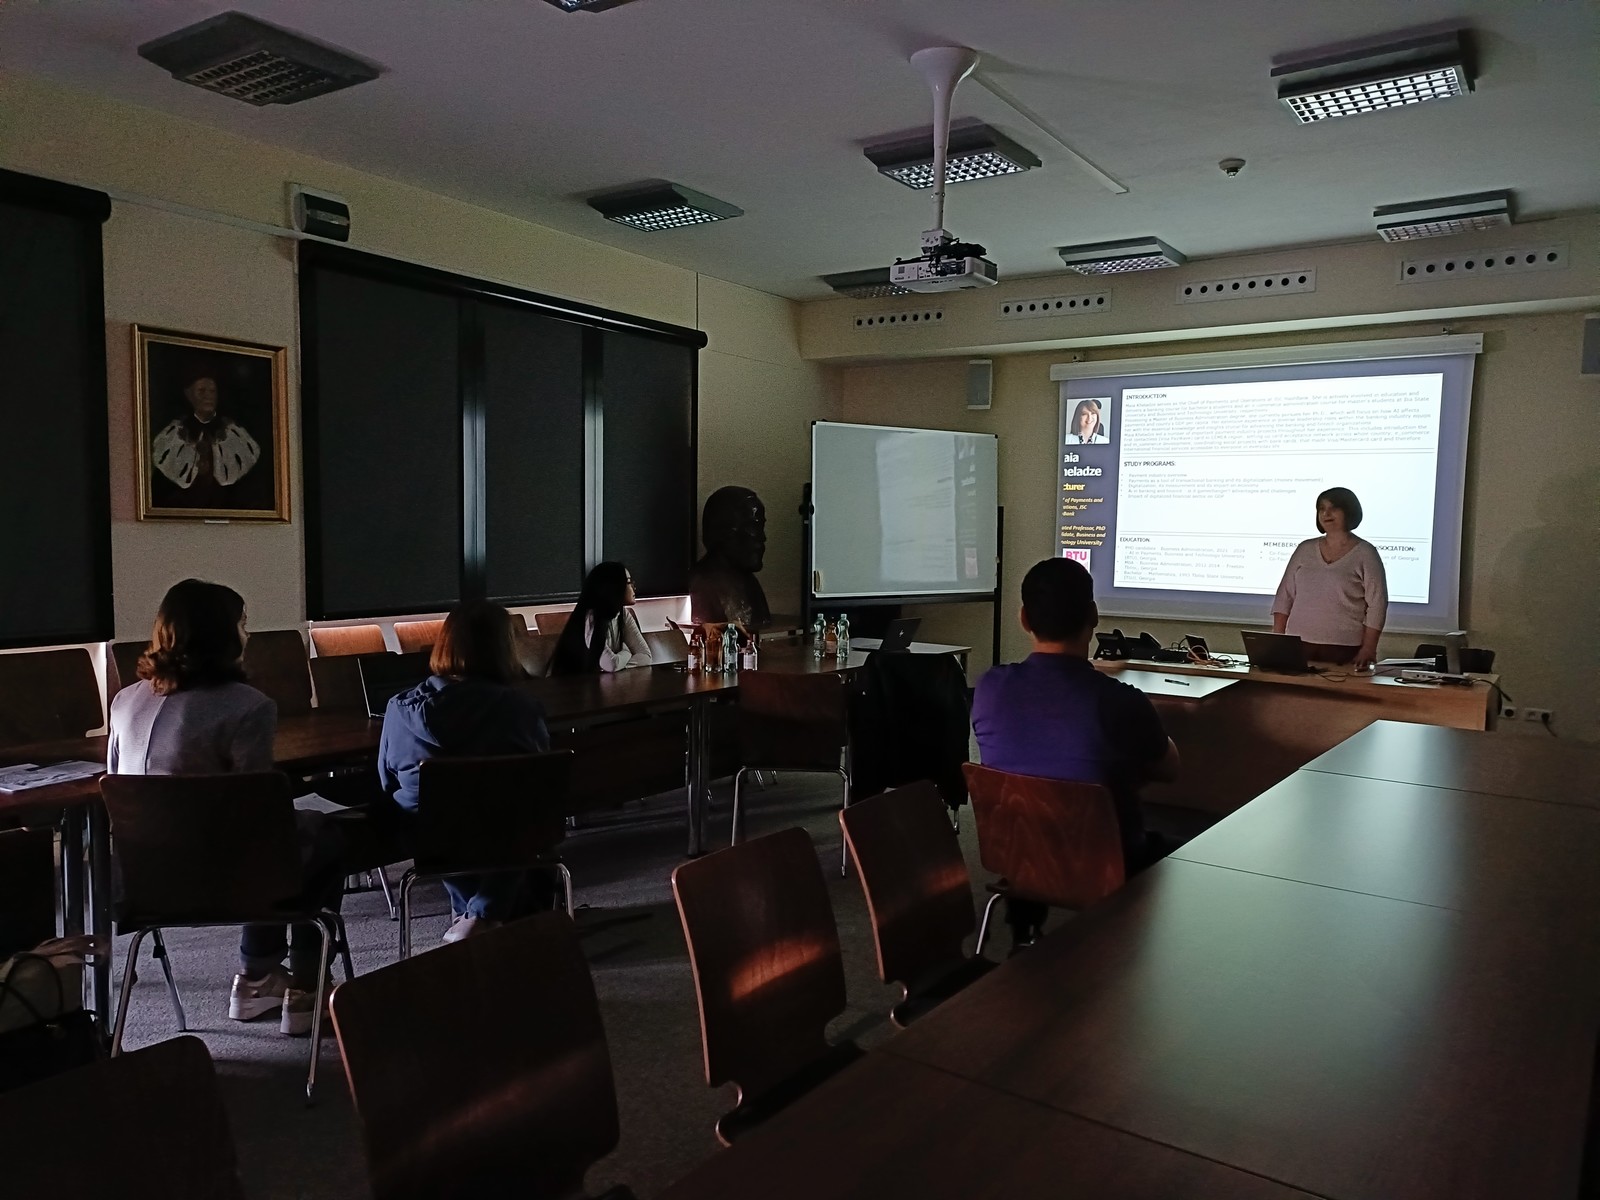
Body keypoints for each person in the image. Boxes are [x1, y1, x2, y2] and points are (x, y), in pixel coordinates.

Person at [107, 578, 342, 1036]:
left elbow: (118, 790)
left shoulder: (124, 702)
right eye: (242, 623)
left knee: (291, 837)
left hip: (141, 881)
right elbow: (254, 813)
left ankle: (258, 979)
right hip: (224, 879)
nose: (247, 633)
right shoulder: (247, 706)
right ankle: (302, 984)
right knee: (320, 838)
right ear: (222, 634)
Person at [970, 558, 1179, 947]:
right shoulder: (1119, 701)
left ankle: (1024, 936)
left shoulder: (989, 688)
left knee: (1030, 810)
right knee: (1187, 845)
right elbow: (1169, 769)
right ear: (1093, 615)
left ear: (1023, 619)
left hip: (1016, 853)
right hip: (1109, 859)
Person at [378, 601, 551, 942]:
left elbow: (387, 780)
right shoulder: (521, 709)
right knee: (521, 817)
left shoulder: (399, 709)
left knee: (440, 817)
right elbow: (541, 776)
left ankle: (471, 915)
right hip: (508, 834)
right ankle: (482, 914)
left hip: (427, 836)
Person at [1271, 487, 1388, 670]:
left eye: (1333, 508)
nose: (1326, 514)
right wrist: (1277, 640)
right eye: (1321, 508)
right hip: (1298, 645)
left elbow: (1377, 604)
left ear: (1349, 511)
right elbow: (1285, 596)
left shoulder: (1366, 553)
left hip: (1345, 648)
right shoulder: (1304, 549)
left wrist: (1369, 647)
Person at [150, 359, 267, 511]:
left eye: (212, 391)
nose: (208, 396)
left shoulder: (232, 432)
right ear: (189, 394)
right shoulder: (175, 433)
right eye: (201, 391)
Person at [549, 561, 653, 675]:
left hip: (601, 682)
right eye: (628, 582)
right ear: (613, 587)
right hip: (572, 682)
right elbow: (610, 664)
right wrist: (627, 651)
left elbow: (646, 656)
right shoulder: (592, 617)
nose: (634, 587)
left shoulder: (623, 613)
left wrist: (621, 664)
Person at [689, 485, 771, 628]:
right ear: (724, 531)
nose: (762, 537)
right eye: (753, 527)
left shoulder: (750, 584)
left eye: (761, 528)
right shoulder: (701, 583)